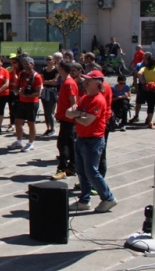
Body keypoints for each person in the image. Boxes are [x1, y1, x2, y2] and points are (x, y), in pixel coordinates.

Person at [66, 71, 118, 213]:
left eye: (89, 80)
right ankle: (84, 200)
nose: (85, 81)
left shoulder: (98, 100)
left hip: (93, 140)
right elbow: (67, 112)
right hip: (82, 138)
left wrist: (77, 115)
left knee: (92, 172)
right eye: (85, 79)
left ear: (98, 82)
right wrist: (80, 115)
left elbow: (87, 121)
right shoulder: (84, 98)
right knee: (81, 172)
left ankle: (108, 198)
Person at [52, 62, 80, 180]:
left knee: (62, 144)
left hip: (68, 119)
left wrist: (73, 116)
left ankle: (62, 169)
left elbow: (73, 102)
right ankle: (72, 167)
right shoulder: (65, 82)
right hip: (65, 118)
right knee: (70, 143)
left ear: (62, 69)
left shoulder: (69, 83)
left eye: (58, 67)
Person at [9, 57, 42, 152]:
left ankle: (31, 143)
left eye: (28, 64)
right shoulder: (22, 74)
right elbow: (16, 87)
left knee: (31, 124)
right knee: (18, 122)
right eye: (25, 64)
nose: (26, 66)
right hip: (22, 102)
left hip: (32, 103)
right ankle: (19, 141)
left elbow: (38, 93)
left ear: (33, 64)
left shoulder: (37, 76)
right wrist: (18, 91)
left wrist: (26, 94)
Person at [41, 55, 59, 137]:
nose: (48, 61)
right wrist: (49, 81)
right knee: (45, 111)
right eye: (47, 59)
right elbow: (41, 81)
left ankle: (52, 128)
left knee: (49, 111)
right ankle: (48, 128)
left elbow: (55, 82)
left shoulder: (56, 69)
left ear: (53, 60)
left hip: (52, 92)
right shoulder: (43, 69)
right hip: (44, 91)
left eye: (50, 59)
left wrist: (46, 82)